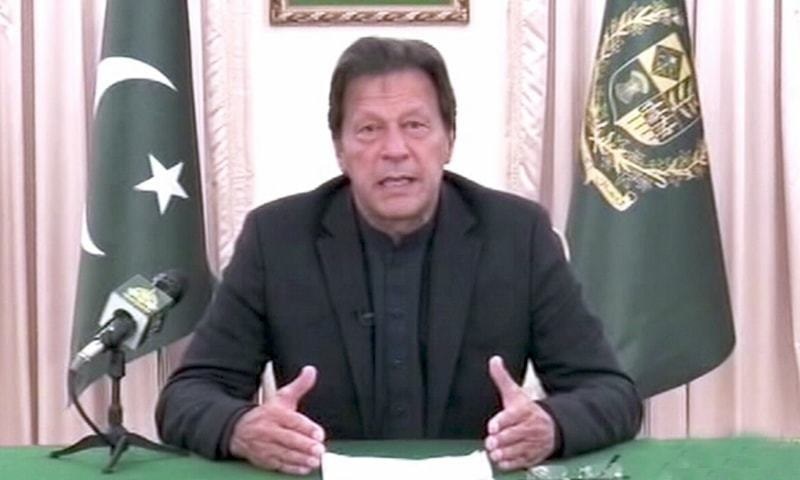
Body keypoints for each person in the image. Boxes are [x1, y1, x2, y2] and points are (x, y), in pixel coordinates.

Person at [156, 36, 642, 475]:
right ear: (340, 149)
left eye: (415, 125)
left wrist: (551, 426)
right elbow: (186, 397)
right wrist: (241, 428)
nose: (395, 149)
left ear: (449, 139)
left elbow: (613, 394)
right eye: (369, 129)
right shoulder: (277, 238)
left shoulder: (518, 234)